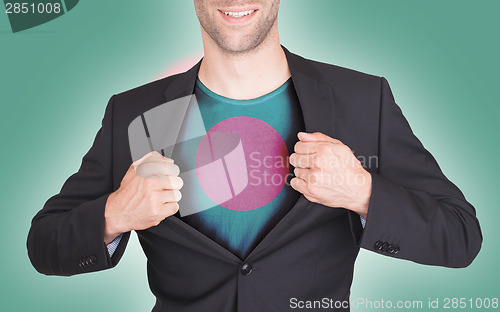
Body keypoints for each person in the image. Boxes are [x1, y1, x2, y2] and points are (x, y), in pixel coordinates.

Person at [27, 1, 482, 311]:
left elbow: (460, 236)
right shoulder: (136, 113)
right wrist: (114, 214)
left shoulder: (362, 100)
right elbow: (44, 245)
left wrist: (363, 191)